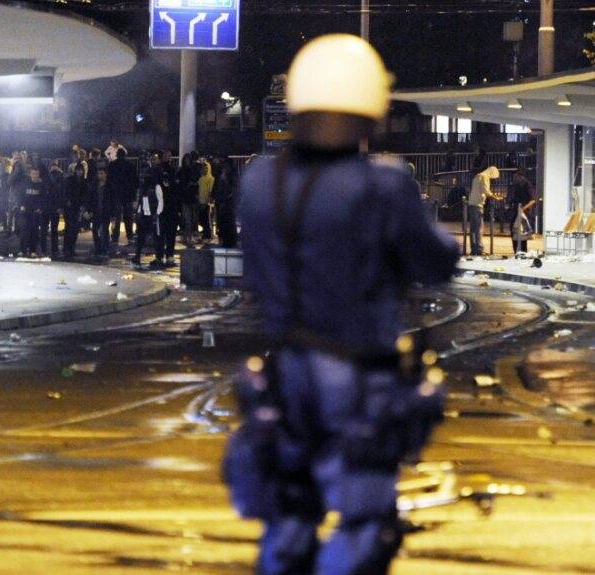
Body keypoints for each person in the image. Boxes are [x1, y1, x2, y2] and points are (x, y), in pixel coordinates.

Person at [233, 34, 459, 575]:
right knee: (363, 520)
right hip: (359, 373)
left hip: (284, 368)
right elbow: (436, 262)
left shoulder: (260, 180)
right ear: (368, 111)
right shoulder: (383, 184)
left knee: (289, 509)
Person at [133, 155, 166, 269]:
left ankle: (159, 258)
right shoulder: (144, 188)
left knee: (157, 238)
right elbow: (141, 201)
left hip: (153, 216)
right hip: (145, 215)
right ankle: (137, 256)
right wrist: (138, 212)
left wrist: (157, 214)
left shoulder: (156, 187)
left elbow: (160, 201)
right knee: (141, 237)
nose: (144, 178)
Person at [108, 147, 137, 251]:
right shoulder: (130, 166)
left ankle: (115, 237)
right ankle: (130, 237)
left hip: (116, 194)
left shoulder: (112, 165)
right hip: (128, 194)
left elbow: (109, 180)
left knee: (117, 216)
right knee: (128, 217)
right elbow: (135, 182)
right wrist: (133, 195)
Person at [468, 166, 501, 255]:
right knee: (479, 228)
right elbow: (486, 191)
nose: (492, 180)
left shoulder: (477, 176)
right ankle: (479, 249)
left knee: (473, 229)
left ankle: (474, 248)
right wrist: (496, 198)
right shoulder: (484, 177)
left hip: (472, 204)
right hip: (478, 205)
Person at [19, 167, 48, 257]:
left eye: (36, 174)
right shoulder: (25, 184)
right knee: (24, 231)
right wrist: (21, 205)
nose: (35, 176)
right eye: (33, 173)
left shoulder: (41, 186)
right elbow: (21, 196)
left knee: (34, 231)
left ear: (38, 175)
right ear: (30, 174)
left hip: (35, 212)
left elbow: (44, 198)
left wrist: (40, 208)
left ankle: (33, 250)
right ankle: (22, 250)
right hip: (25, 211)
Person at [160, 150, 181, 267]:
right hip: (165, 206)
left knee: (169, 233)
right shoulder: (162, 170)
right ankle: (166, 255)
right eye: (166, 156)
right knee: (165, 232)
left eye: (169, 155)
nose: (168, 158)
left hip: (170, 206)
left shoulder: (172, 170)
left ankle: (168, 255)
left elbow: (175, 189)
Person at [63, 162, 89, 259]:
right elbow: (65, 193)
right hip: (70, 208)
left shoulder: (84, 182)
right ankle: (66, 249)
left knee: (75, 230)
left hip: (78, 208)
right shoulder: (69, 180)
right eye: (78, 170)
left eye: (81, 170)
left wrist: (83, 206)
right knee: (69, 229)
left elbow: (86, 195)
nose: (79, 172)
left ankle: (71, 249)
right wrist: (67, 202)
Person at [508, 171, 536, 254]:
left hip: (523, 213)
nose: (514, 179)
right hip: (515, 211)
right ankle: (517, 251)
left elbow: (533, 200)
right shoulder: (515, 185)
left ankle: (522, 251)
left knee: (522, 233)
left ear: (521, 177)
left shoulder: (527, 185)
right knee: (514, 231)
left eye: (516, 177)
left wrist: (523, 208)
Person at [91, 167, 115, 260]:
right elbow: (91, 198)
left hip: (105, 211)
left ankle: (104, 249)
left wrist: (113, 214)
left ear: (105, 174)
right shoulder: (94, 185)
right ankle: (98, 249)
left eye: (102, 173)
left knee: (104, 231)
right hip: (96, 211)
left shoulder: (110, 186)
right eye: (99, 173)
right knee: (95, 230)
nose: (100, 175)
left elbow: (113, 200)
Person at [197, 158, 215, 241]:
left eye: (206, 168)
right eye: (203, 168)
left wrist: (207, 201)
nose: (205, 170)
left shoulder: (211, 179)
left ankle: (208, 234)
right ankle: (205, 233)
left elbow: (210, 191)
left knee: (207, 219)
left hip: (207, 202)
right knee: (201, 219)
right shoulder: (200, 179)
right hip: (200, 201)